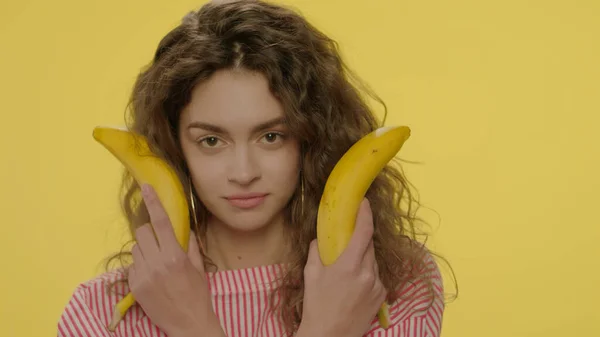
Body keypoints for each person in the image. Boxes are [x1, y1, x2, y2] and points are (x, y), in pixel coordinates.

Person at [57, 0, 450, 336]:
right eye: (211, 141)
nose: (243, 173)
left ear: (311, 138)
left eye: (271, 136)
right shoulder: (101, 313)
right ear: (175, 149)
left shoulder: (387, 283)